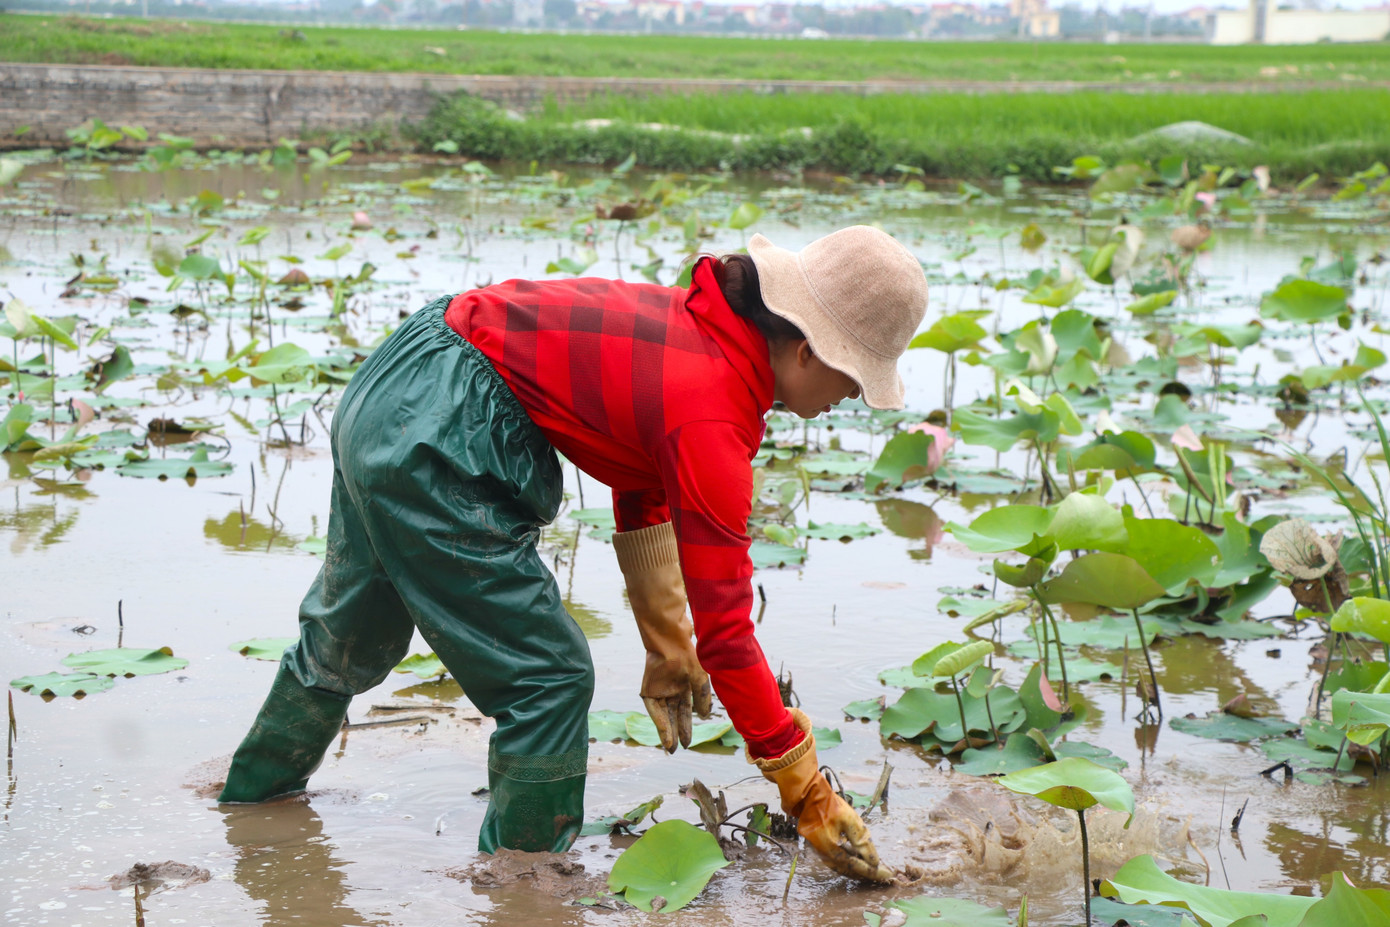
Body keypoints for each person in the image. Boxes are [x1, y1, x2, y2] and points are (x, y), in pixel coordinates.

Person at [217, 225, 928, 883]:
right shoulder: (713, 413)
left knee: (351, 631)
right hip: (440, 433)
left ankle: (249, 806)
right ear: (807, 350)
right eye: (854, 380)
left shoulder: (700, 330)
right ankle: (523, 889)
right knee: (548, 681)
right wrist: (803, 784)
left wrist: (664, 641)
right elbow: (732, 635)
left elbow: (639, 474)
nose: (853, 399)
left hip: (399, 378)